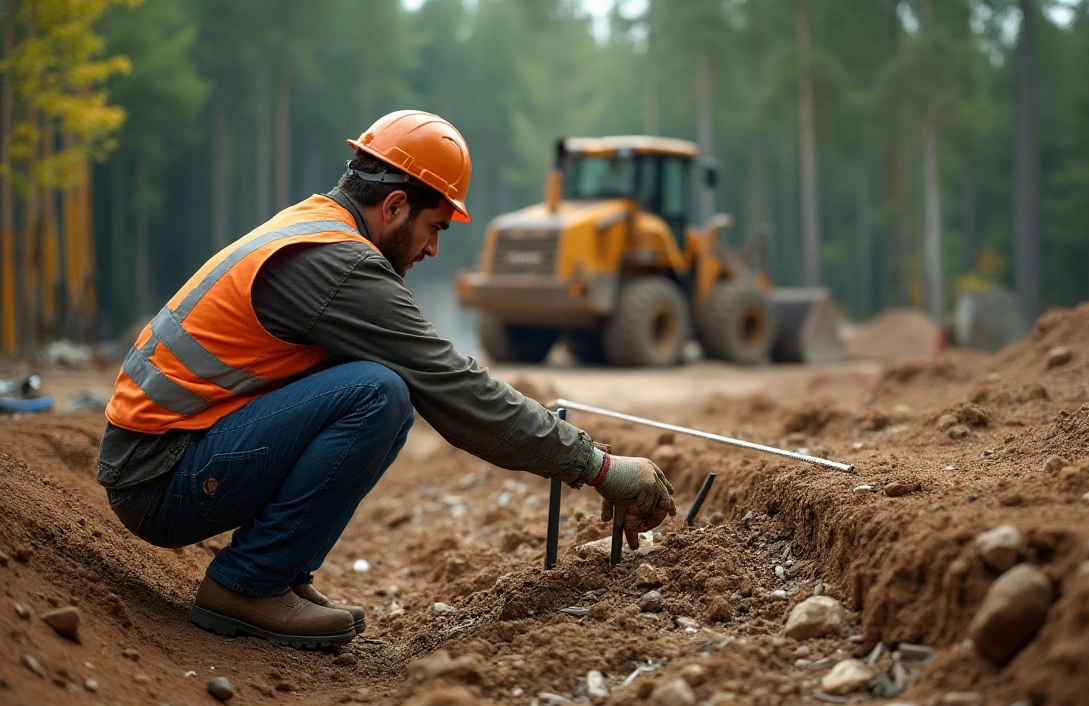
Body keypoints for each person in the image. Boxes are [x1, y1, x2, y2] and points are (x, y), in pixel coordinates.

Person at [97, 110, 676, 649]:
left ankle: (281, 574)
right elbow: (454, 386)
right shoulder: (338, 264)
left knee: (373, 383)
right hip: (161, 480)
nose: (431, 247)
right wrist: (597, 466)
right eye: (435, 227)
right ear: (395, 205)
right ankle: (247, 585)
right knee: (381, 393)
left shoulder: (313, 225)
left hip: (161, 457)